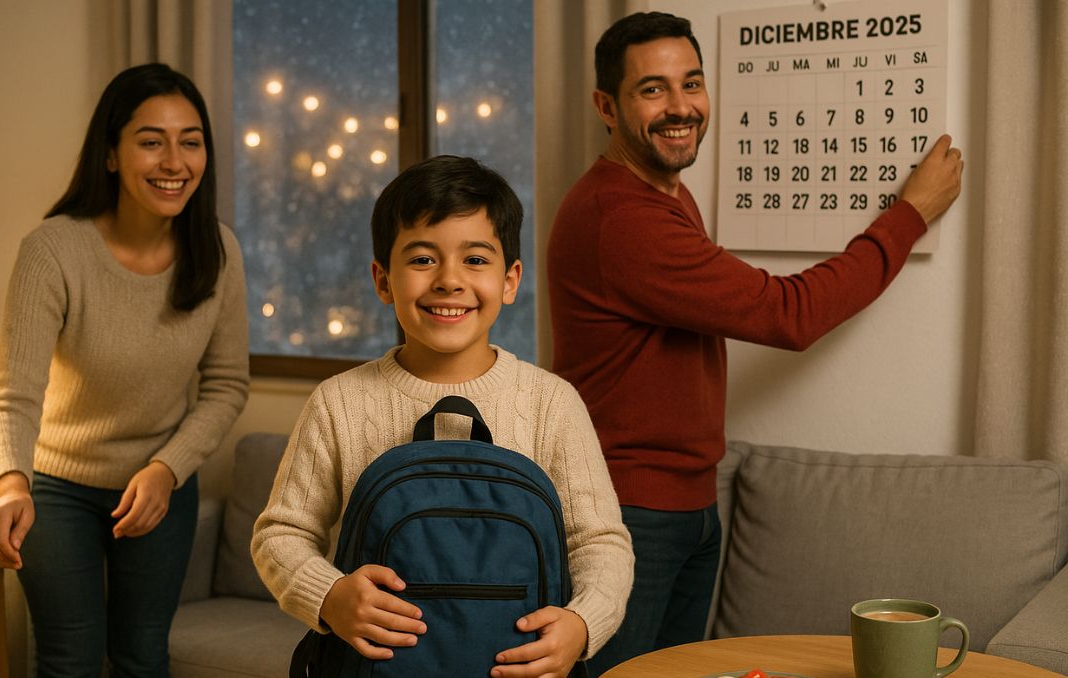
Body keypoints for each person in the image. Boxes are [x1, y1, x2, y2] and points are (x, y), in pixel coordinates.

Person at [546, 11, 964, 676]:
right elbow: (789, 315)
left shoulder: (664, 194)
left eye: (692, 83)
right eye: (652, 90)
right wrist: (908, 214)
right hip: (627, 515)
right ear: (606, 105)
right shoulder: (620, 217)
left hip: (682, 504)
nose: (681, 107)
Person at [250, 155, 634, 677]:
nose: (449, 281)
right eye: (423, 259)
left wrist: (582, 624)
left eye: (475, 260)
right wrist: (331, 596)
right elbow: (280, 535)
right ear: (383, 280)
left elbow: (601, 544)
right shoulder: (338, 401)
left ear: (510, 279)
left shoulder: (552, 402)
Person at [0, 63, 250, 677]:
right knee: (70, 661)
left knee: (141, 659)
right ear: (110, 155)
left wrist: (167, 468)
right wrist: (11, 484)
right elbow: (13, 396)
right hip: (56, 487)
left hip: (160, 484)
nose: (174, 161)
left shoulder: (219, 250)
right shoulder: (53, 250)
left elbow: (228, 382)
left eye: (191, 141)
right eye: (151, 141)